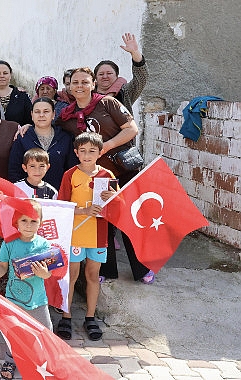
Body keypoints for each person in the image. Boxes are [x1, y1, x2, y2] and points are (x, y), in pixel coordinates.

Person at [56, 67, 153, 284]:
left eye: (84, 82)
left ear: (92, 84)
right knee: (103, 220)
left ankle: (142, 268)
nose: (80, 86)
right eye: (75, 82)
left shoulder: (108, 103)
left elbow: (131, 129)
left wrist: (106, 146)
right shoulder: (67, 115)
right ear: (69, 87)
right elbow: (47, 126)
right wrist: (23, 127)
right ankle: (106, 270)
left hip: (124, 170)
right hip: (97, 175)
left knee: (129, 219)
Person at [56, 132, 116, 342]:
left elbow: (116, 209)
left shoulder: (108, 175)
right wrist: (82, 211)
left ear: (100, 153)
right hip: (75, 233)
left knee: (92, 275)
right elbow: (61, 207)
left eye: (92, 151)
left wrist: (113, 199)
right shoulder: (70, 174)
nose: (87, 155)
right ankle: (66, 315)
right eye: (83, 151)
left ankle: (90, 317)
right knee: (71, 276)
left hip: (98, 234)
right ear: (76, 153)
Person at [0, 199, 53, 380]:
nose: (29, 225)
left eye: (33, 221)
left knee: (45, 330)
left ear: (41, 222)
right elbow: (2, 266)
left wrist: (44, 273)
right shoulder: (9, 244)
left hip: (38, 300)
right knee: (13, 332)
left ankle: (46, 361)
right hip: (14, 300)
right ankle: (10, 360)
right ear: (16, 222)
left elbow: (48, 275)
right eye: (24, 220)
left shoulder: (44, 245)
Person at [8, 97, 75, 188]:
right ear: (32, 115)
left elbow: (71, 169)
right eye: (37, 112)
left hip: (58, 195)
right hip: (30, 196)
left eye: (46, 111)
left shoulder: (65, 138)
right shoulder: (23, 138)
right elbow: (14, 170)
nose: (41, 115)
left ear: (53, 114)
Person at [94, 33, 148, 114]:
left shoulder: (125, 92)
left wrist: (135, 53)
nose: (105, 76)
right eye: (101, 74)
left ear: (116, 76)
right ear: (95, 77)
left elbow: (141, 79)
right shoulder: (87, 93)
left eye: (109, 73)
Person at [0, 60, 32, 126]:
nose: (2, 76)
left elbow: (31, 121)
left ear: (10, 75)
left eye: (5, 73)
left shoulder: (22, 96)